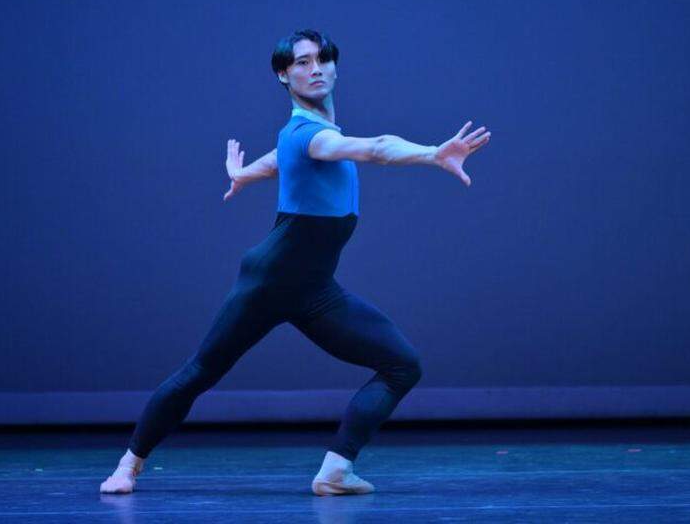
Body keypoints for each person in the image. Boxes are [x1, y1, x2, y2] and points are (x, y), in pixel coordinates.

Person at [100, 29, 491, 496]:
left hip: (315, 290)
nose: (316, 68)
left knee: (402, 364)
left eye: (323, 59)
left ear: (335, 67)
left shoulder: (305, 134)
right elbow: (376, 147)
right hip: (269, 281)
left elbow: (279, 159)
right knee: (200, 372)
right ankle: (128, 465)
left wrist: (244, 174)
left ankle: (335, 471)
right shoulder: (312, 134)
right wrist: (432, 154)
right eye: (302, 63)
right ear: (283, 76)